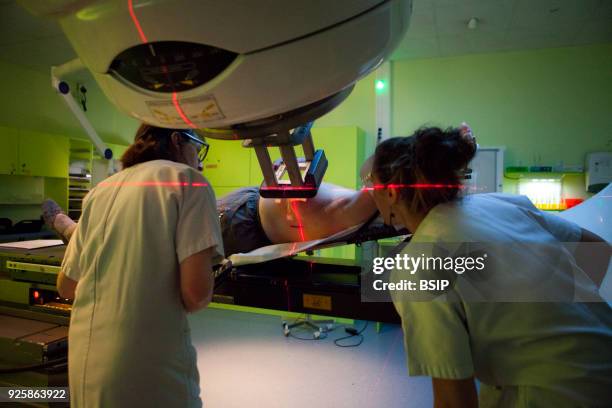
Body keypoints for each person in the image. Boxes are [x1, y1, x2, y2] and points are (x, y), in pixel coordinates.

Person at [365, 125, 612, 407]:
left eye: (373, 186)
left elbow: (454, 400)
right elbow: (596, 247)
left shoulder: (417, 264)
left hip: (558, 392)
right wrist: (567, 306)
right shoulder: (500, 203)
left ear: (393, 194)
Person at [57, 124, 224, 408]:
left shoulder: (101, 190)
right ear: (176, 140)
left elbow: (66, 286)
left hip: (87, 367)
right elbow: (196, 296)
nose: (200, 161)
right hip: (147, 369)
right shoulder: (190, 182)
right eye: (198, 148)